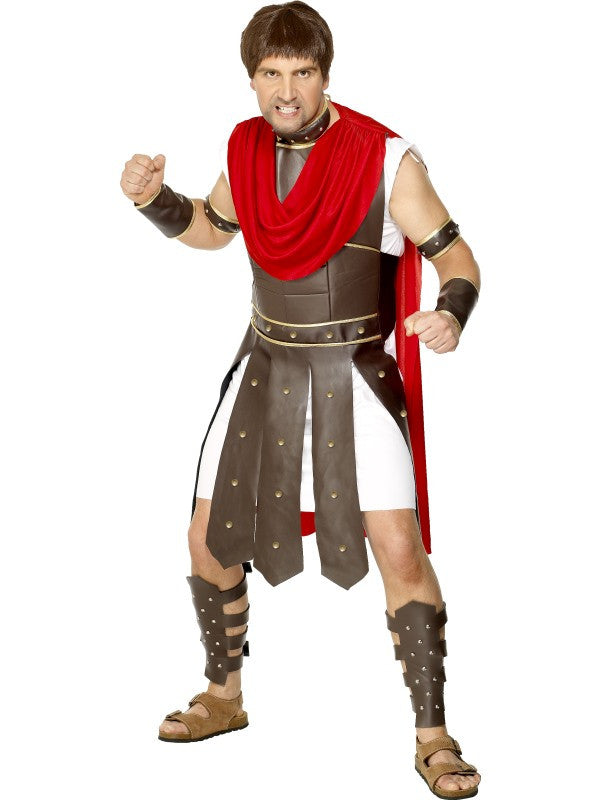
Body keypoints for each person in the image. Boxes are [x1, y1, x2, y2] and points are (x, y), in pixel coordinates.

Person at [120, 3, 482, 797]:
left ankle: (434, 736)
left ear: (325, 73)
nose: (286, 90)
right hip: (265, 364)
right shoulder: (245, 148)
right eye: (271, 73)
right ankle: (223, 696)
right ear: (252, 78)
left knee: (398, 547)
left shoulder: (385, 159)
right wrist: (155, 201)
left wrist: (451, 313)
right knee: (206, 538)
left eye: (302, 72)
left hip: (354, 369)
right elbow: (215, 228)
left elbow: (457, 257)